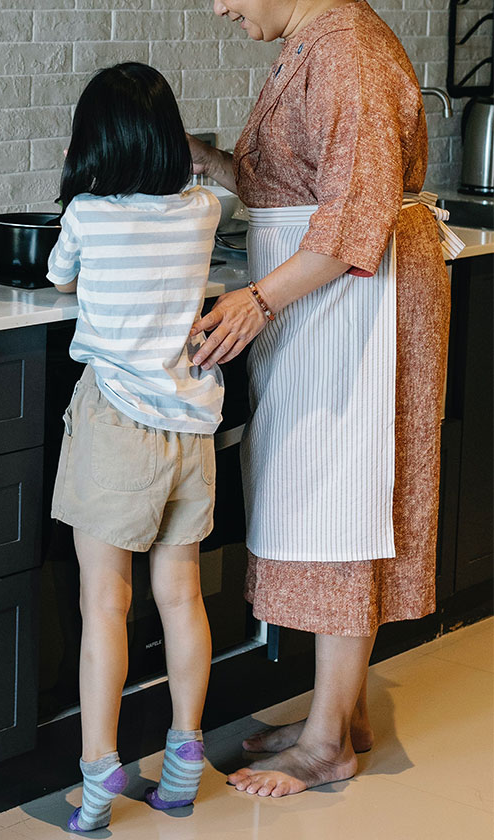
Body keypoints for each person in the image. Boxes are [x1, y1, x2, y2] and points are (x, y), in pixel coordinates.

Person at [187, 0, 462, 798]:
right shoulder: (315, 42)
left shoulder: (347, 50)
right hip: (328, 305)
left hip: (358, 307)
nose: (221, 7)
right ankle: (339, 717)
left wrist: (257, 301)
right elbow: (297, 187)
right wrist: (208, 159)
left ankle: (326, 746)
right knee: (325, 496)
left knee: (344, 500)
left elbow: (353, 220)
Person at [46, 62, 223, 832]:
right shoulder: (203, 210)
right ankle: (183, 767)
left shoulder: (86, 214)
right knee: (181, 597)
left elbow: (59, 280)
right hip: (190, 428)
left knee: (103, 604)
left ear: (96, 140)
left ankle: (96, 776)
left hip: (116, 424)